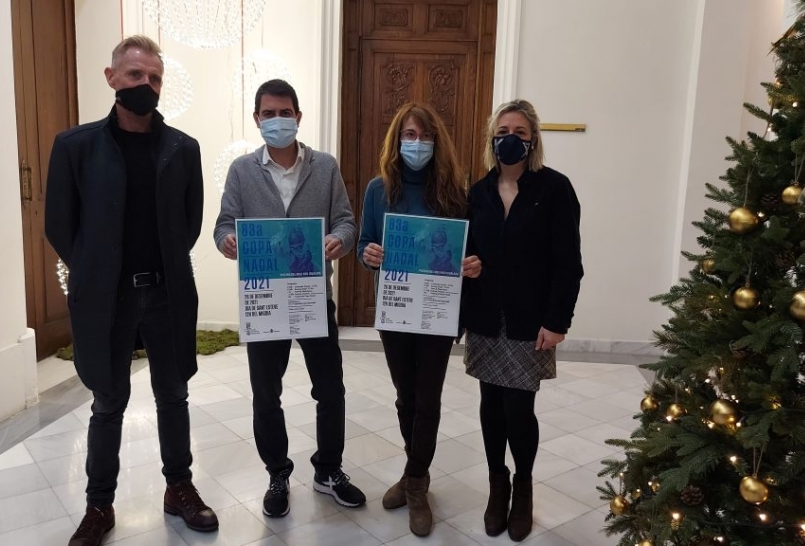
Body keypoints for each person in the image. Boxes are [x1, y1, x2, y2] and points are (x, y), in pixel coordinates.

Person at [45, 36, 217, 546]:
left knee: (174, 395)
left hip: (166, 294)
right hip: (107, 298)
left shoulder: (183, 149)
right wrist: (97, 270)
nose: (146, 85)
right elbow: (59, 225)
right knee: (108, 401)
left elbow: (189, 224)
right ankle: (99, 505)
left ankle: (179, 488)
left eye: (155, 78)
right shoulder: (75, 147)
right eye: (136, 74)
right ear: (112, 77)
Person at [214, 79, 365, 518]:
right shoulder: (242, 170)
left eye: (285, 113)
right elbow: (224, 223)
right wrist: (227, 241)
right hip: (264, 301)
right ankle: (277, 473)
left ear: (298, 116)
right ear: (256, 119)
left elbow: (346, 221)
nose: (277, 120)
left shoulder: (325, 166)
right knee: (266, 394)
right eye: (269, 113)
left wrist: (339, 240)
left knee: (330, 389)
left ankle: (328, 470)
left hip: (312, 297)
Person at [357, 102, 482, 537]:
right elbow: (365, 243)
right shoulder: (378, 190)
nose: (417, 143)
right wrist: (369, 254)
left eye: (425, 136)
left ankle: (414, 483)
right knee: (404, 397)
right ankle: (417, 474)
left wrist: (472, 264)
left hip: (437, 312)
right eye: (409, 135)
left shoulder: (454, 193)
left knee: (427, 399)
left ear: (436, 141)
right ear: (397, 140)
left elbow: (470, 250)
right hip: (395, 311)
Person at [461, 99, 583, 542]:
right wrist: (469, 264)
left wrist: (557, 321)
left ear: (533, 140)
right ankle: (498, 486)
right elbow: (467, 250)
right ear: (492, 139)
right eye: (502, 131)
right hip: (485, 318)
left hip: (530, 321)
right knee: (490, 406)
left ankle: (524, 487)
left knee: (518, 408)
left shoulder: (554, 188)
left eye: (519, 131)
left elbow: (568, 263)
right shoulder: (477, 192)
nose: (510, 138)